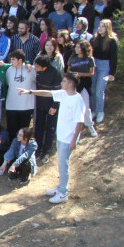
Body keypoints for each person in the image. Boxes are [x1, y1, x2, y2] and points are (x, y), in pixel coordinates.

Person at [21, 73, 84, 203]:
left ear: (71, 84)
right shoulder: (64, 94)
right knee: (61, 165)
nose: (62, 83)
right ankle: (60, 187)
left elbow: (80, 123)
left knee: (63, 165)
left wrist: (73, 140)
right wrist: (30, 91)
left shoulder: (78, 100)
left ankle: (63, 193)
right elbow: (48, 93)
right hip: (61, 136)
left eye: (64, 81)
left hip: (68, 139)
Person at [33, 55, 62, 162]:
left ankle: (46, 151)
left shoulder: (55, 74)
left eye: (37, 65)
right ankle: (38, 149)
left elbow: (59, 92)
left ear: (44, 67)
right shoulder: (37, 72)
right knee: (39, 127)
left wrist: (55, 106)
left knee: (50, 128)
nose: (35, 67)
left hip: (51, 106)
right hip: (40, 105)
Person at [90, 18, 118, 123]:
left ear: (107, 28)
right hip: (95, 64)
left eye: (103, 26)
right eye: (99, 26)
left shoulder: (112, 40)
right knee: (92, 89)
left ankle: (100, 111)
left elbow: (114, 58)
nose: (100, 28)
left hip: (105, 65)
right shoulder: (94, 39)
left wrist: (112, 73)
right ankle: (93, 111)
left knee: (99, 90)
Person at [5, 49, 36, 139]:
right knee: (12, 132)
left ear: (20, 60)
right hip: (11, 106)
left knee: (24, 133)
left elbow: (37, 82)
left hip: (26, 106)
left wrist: (28, 64)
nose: (11, 61)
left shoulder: (31, 69)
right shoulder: (9, 70)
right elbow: (7, 83)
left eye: (13, 59)